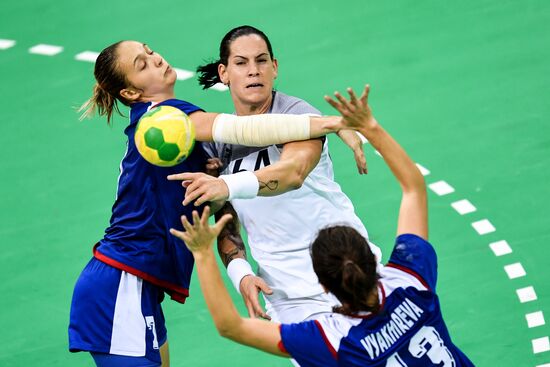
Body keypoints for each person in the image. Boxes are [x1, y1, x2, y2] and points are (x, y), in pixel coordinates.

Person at [68, 40, 361, 367]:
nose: (156, 58)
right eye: (142, 64)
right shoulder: (163, 119)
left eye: (150, 51)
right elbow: (242, 129)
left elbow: (223, 201)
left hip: (139, 285)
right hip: (119, 280)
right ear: (131, 93)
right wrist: (333, 124)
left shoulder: (179, 125)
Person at [170, 85, 475, 366]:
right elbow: (414, 187)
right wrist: (370, 126)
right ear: (372, 259)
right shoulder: (409, 281)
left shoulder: (332, 339)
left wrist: (202, 252)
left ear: (325, 287)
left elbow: (230, 326)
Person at [168, 26, 381, 326]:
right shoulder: (217, 144)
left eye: (262, 61)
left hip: (348, 269)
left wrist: (224, 184)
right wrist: (241, 275)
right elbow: (226, 226)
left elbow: (291, 173)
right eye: (241, 63)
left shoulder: (298, 116)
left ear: (275, 68)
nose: (253, 71)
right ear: (224, 72)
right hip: (286, 299)